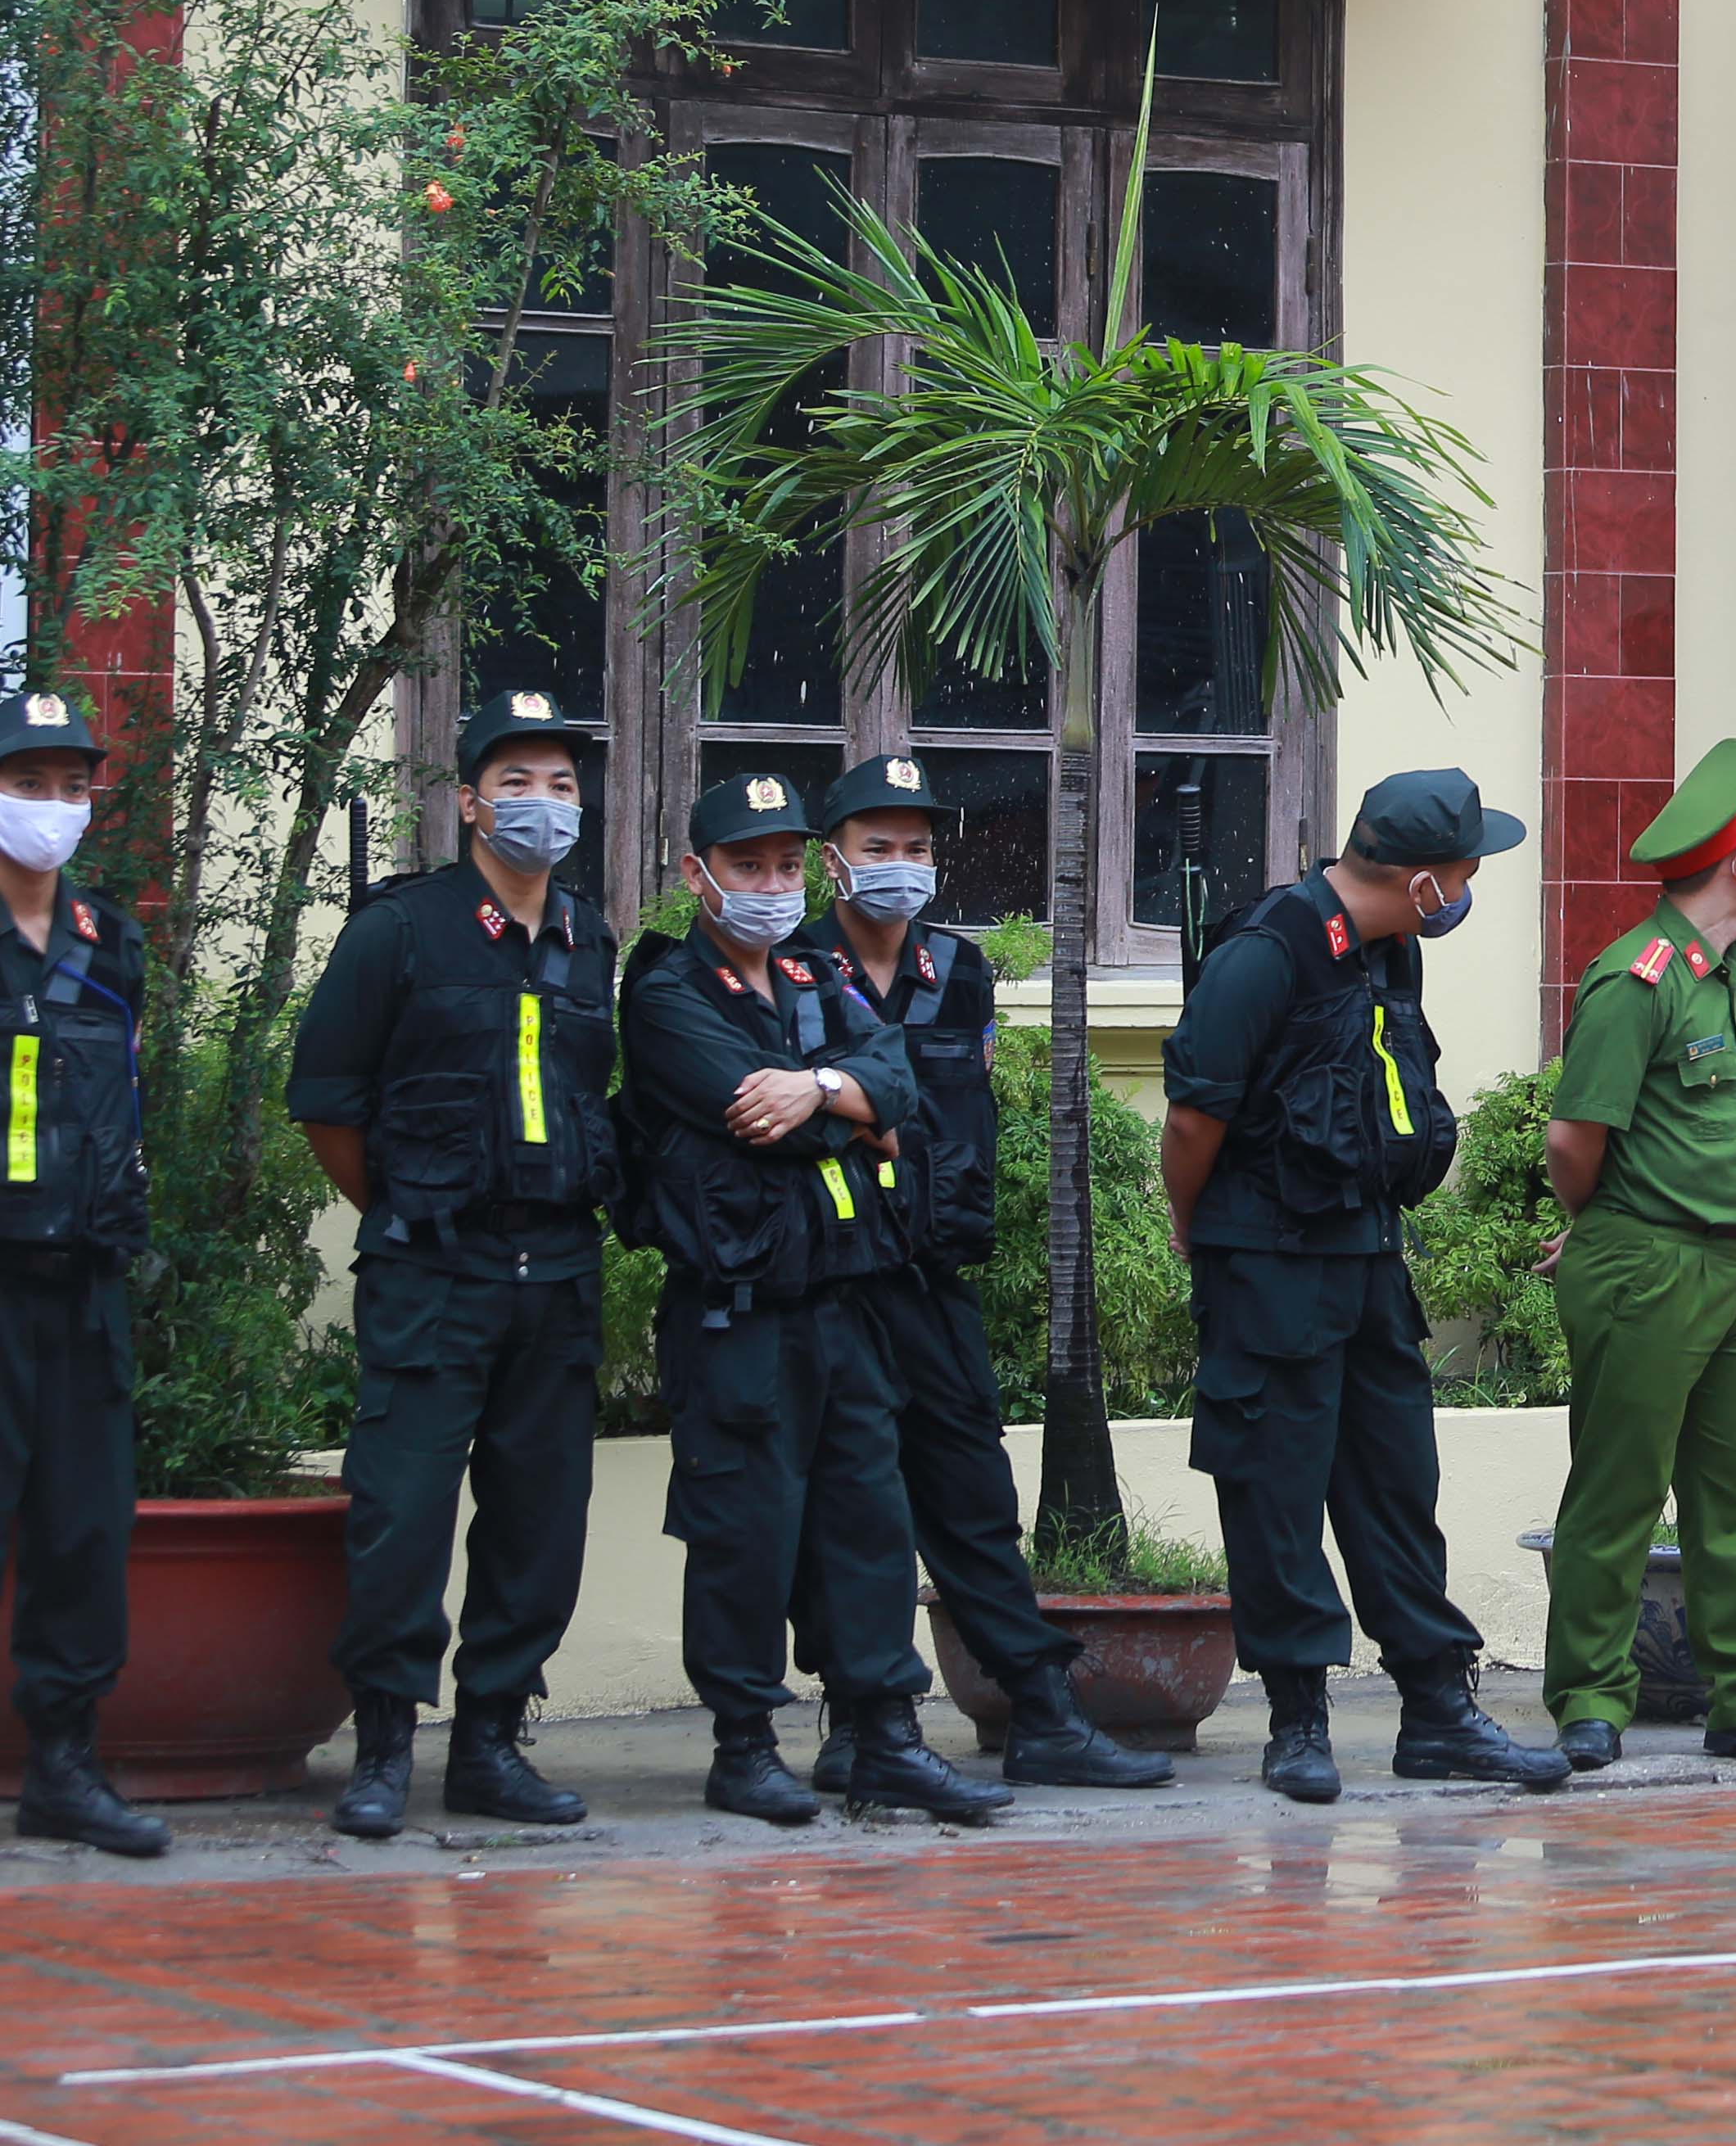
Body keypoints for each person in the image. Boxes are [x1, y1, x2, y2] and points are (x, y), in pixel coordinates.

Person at [1160, 770, 1570, 1804]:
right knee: (1277, 1496)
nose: (1476, 885)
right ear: (1425, 881)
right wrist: (1191, 1225)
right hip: (1267, 1265)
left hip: (1368, 1258)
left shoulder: (1390, 952)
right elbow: (1192, 1120)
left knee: (1396, 1487)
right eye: (1470, 869)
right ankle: (1298, 1722)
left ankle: (1437, 1709)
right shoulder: (1266, 953)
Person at [622, 770, 1006, 1826]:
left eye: (787, 865)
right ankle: (743, 1746)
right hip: (738, 1311)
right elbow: (748, 1106)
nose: (773, 883)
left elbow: (902, 1081)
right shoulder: (667, 994)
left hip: (847, 1299)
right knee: (744, 1535)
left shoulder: (810, 975)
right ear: (699, 876)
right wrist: (848, 1101)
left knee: (869, 1526)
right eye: (749, 866)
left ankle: (882, 1736)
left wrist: (826, 1089)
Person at [791, 758, 1170, 1794]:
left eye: (917, 848)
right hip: (821, 1280)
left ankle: (1041, 1711)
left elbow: (967, 1115)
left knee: (971, 1494)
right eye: (878, 848)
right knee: (846, 1507)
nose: (901, 867)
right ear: (833, 861)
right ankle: (858, 1718)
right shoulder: (784, 965)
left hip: (926, 1275)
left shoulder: (956, 971)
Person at [287, 687, 608, 1843]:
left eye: (561, 783)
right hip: (435, 1273)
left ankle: (489, 1745)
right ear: (470, 801)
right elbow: (327, 1105)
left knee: (539, 1523)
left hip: (557, 1275)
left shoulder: (589, 937)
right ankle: (382, 1750)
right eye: (515, 782)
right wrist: (415, 1209)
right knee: (403, 1514)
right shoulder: (400, 932)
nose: (541, 803)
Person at [1537, 739, 1736, 1773]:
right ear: (1734, 863)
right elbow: (1574, 1143)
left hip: (1733, 1269)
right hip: (1648, 1266)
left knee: (1734, 1493)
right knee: (1618, 1492)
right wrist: (1607, 1225)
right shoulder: (1638, 980)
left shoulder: (1729, 975)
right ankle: (1588, 1698)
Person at [0, 696, 163, 1858]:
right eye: (31, 782)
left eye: (71, 784)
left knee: (81, 1532)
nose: (54, 806)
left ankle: (65, 1766)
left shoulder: (112, 942)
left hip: (85, 1281)